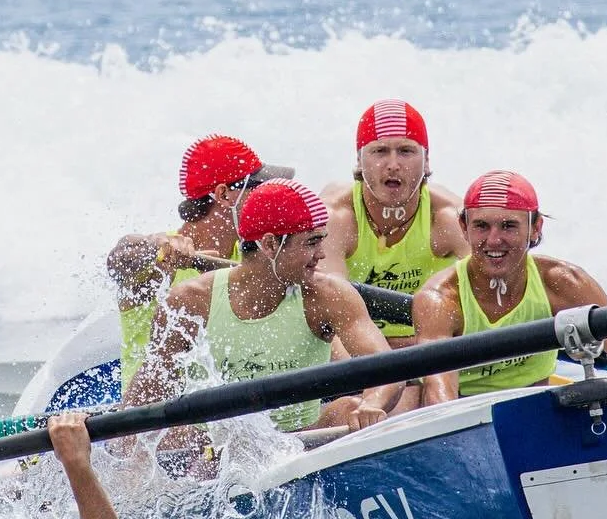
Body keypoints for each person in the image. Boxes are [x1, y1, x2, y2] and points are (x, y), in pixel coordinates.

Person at [126, 179, 403, 434]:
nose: (322, 255)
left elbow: (386, 367)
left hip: (303, 438)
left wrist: (373, 402)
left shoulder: (328, 295)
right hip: (217, 451)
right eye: (312, 242)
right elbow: (146, 395)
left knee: (349, 409)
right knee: (184, 438)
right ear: (270, 244)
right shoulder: (190, 301)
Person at [413, 170, 607, 405]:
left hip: (536, 411)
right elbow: (439, 396)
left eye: (508, 226)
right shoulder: (439, 300)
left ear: (535, 229)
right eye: (481, 226)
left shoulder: (565, 283)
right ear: (463, 228)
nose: (494, 240)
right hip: (463, 417)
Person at [106, 135, 293, 391]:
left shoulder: (254, 254)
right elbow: (121, 257)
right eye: (258, 187)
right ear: (224, 194)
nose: (268, 198)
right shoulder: (161, 262)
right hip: (157, 416)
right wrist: (153, 246)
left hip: (232, 413)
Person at [319, 99, 469, 347]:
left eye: (406, 151)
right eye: (379, 151)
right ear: (359, 160)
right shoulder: (334, 217)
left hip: (429, 347)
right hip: (357, 349)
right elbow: (330, 320)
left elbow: (491, 304)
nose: (393, 165)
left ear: (427, 160)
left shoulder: (451, 218)